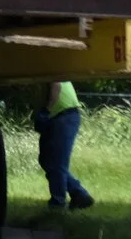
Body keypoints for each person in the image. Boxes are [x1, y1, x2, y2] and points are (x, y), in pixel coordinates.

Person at [32, 81, 95, 210]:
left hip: (63, 116)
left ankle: (58, 205)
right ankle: (79, 194)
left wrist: (46, 111)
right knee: (46, 160)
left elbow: (56, 84)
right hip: (57, 117)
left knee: (56, 163)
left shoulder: (49, 65)